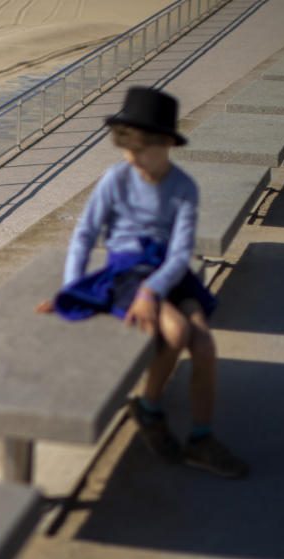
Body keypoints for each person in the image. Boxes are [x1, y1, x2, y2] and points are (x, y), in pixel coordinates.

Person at [37, 86, 248, 478]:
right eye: (125, 146)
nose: (131, 156)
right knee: (177, 329)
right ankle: (149, 408)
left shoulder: (184, 187)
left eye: (140, 147)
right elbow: (85, 234)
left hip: (166, 273)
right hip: (128, 269)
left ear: (166, 142)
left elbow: (181, 252)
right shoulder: (115, 179)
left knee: (204, 344)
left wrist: (154, 291)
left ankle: (200, 438)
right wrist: (72, 288)